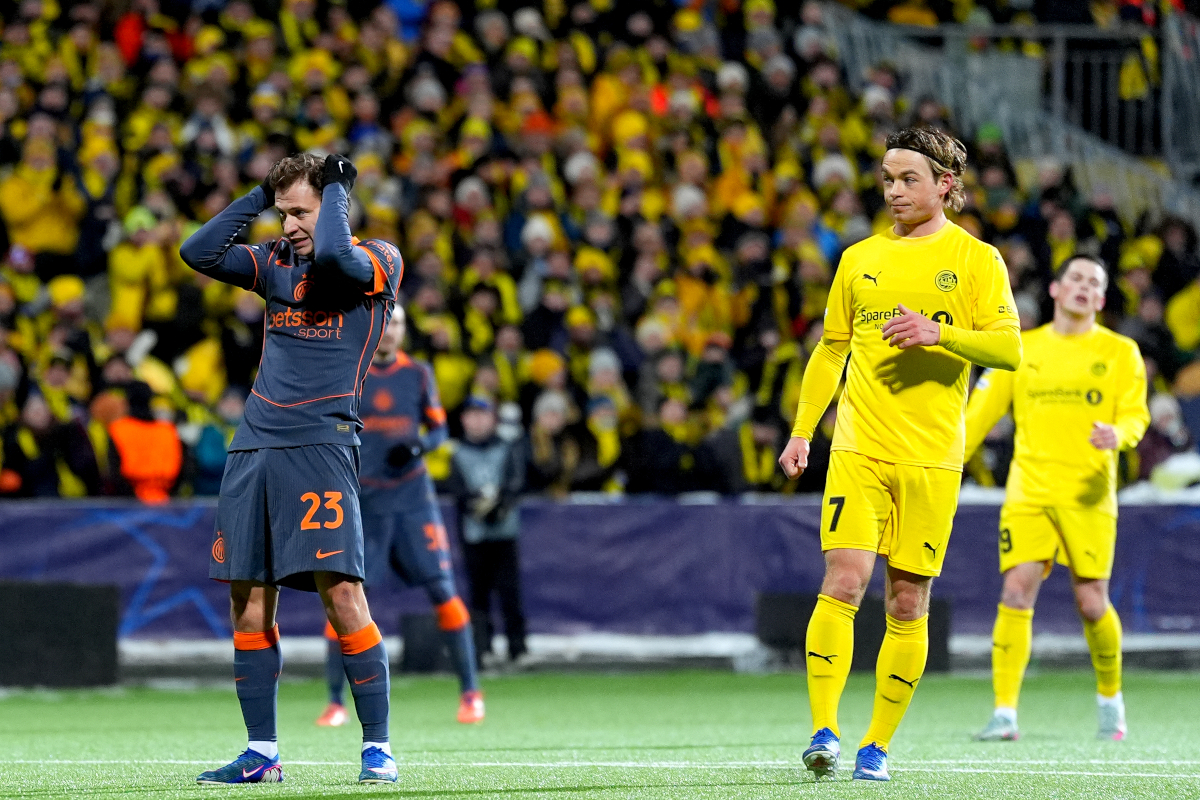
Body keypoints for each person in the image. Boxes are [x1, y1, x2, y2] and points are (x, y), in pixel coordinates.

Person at [777, 127, 1022, 782]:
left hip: (934, 458)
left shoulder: (976, 260)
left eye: (907, 179)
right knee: (844, 580)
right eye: (886, 179)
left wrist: (938, 333)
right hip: (858, 447)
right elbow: (831, 348)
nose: (893, 191)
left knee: (908, 602)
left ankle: (876, 746)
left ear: (944, 183)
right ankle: (824, 730)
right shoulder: (858, 258)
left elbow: (1008, 351)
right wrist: (804, 431)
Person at [179, 152, 403, 785]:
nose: (290, 225)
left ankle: (378, 748)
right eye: (284, 213)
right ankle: (262, 753)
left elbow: (334, 257)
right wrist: (260, 195)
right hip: (255, 444)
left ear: (333, 204)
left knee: (342, 595)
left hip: (322, 444)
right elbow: (197, 252)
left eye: (301, 211)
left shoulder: (378, 260)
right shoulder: (272, 263)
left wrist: (335, 192)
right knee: (248, 600)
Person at [966, 255, 1149, 743]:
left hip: (1088, 492)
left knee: (1092, 603)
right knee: (1015, 592)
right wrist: (943, 458)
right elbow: (978, 415)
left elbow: (1136, 416)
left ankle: (1110, 697)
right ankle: (1004, 712)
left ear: (1103, 299)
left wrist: (1120, 434)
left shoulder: (1121, 352)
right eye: (1076, 278)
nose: (1084, 287)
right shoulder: (1020, 350)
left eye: (1095, 282)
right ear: (1055, 288)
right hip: (1029, 491)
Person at [316, 305, 484, 729]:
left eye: (399, 324)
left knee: (443, 590)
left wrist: (419, 448)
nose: (391, 331)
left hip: (413, 499)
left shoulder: (419, 374)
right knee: (344, 598)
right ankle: (335, 702)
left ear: (405, 330)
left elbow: (441, 430)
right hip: (365, 502)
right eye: (386, 322)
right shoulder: (350, 372)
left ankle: (471, 693)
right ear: (374, 327)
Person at [445, 396, 527, 666]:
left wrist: (498, 506)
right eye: (471, 415)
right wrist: (478, 506)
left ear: (492, 419)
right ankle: (482, 650)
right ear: (464, 420)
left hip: (504, 532)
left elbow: (515, 483)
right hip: (475, 535)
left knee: (510, 592)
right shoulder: (457, 453)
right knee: (478, 594)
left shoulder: (506, 448)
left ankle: (518, 649)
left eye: (482, 415)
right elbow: (457, 491)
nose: (477, 421)